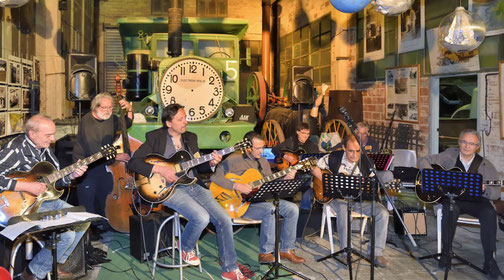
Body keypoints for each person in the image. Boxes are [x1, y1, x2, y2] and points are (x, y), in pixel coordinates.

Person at [127, 104, 248, 280]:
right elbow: (134, 163)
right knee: (201, 217)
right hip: (168, 189)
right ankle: (184, 247)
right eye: (180, 119)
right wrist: (160, 170)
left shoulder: (191, 138)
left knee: (224, 219)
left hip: (193, 185)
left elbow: (200, 164)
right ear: (169, 123)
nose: (186, 121)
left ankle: (229, 268)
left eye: (185, 117)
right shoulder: (156, 137)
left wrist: (212, 163)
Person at [0, 114, 88, 280]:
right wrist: (27, 186)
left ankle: (52, 263)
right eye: (49, 135)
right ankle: (33, 273)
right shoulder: (15, 149)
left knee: (82, 220)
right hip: (18, 207)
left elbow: (57, 179)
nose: (53, 139)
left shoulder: (44, 148)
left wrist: (72, 175)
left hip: (44, 201)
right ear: (32, 134)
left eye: (53, 134)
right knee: (66, 236)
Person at [417, 129, 503, 278]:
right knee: (450, 209)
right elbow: (423, 160)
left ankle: (489, 261)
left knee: (490, 213)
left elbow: (495, 193)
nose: (467, 146)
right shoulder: (450, 155)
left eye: (471, 143)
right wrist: (432, 175)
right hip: (454, 199)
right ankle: (446, 253)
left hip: (477, 201)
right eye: (464, 142)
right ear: (459, 142)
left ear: (477, 146)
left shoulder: (484, 164)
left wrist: (484, 189)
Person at [211, 131, 305, 264]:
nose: (262, 151)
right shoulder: (233, 159)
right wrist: (236, 185)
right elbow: (215, 178)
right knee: (271, 209)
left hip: (259, 200)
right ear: (248, 148)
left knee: (292, 209)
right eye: (258, 148)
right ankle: (265, 253)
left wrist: (285, 178)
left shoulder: (262, 161)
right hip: (239, 204)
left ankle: (286, 250)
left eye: (263, 147)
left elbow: (269, 185)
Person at [312, 135, 391, 268]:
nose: (355, 155)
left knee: (382, 212)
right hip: (336, 198)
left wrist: (377, 188)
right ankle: (346, 253)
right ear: (343, 148)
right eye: (351, 151)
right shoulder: (333, 157)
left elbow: (372, 187)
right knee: (344, 210)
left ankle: (376, 253)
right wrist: (324, 178)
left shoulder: (368, 163)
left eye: (358, 151)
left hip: (359, 200)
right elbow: (313, 166)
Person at [72, 93, 133, 234]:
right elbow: (94, 149)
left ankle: (105, 227)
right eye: (105, 107)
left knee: (104, 195)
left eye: (110, 108)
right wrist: (116, 156)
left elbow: (126, 123)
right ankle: (88, 234)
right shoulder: (87, 121)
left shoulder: (110, 119)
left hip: (104, 165)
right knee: (88, 201)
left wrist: (129, 109)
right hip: (86, 166)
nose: (108, 110)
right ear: (95, 107)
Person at [272, 122, 318, 211]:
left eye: (308, 134)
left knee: (307, 179)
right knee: (285, 178)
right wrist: (285, 156)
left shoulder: (312, 146)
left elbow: (314, 161)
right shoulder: (291, 141)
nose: (306, 136)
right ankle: (284, 205)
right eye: (303, 133)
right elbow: (275, 149)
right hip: (288, 170)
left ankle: (305, 209)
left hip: (303, 171)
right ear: (297, 132)